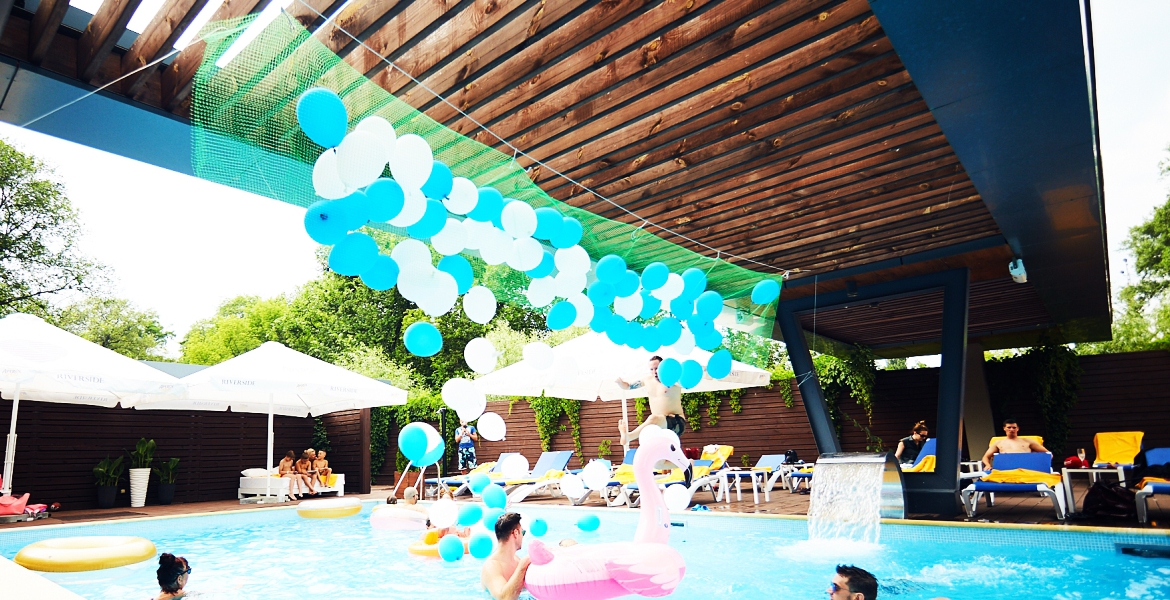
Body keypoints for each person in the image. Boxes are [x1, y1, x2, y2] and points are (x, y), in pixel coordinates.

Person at [617, 355, 691, 484]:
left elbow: (687, 383)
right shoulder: (647, 380)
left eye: (657, 368)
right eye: (651, 369)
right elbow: (628, 386)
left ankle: (629, 436)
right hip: (659, 427)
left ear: (663, 367)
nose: (654, 372)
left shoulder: (673, 379)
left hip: (677, 422)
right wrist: (619, 382)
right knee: (658, 463)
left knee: (653, 418)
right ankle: (686, 463)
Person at [482, 512, 531, 600]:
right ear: (516, 533)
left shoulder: (516, 560)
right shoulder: (492, 566)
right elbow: (504, 598)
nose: (523, 537)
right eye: (522, 532)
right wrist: (523, 566)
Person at [981, 419, 1049, 470]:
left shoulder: (1028, 441)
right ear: (1004, 428)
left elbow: (1048, 454)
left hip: (1026, 468)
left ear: (1017, 429)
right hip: (1005, 469)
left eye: (1014, 427)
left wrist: (1039, 464)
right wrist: (987, 465)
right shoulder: (998, 443)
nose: (1011, 429)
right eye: (1009, 427)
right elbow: (985, 457)